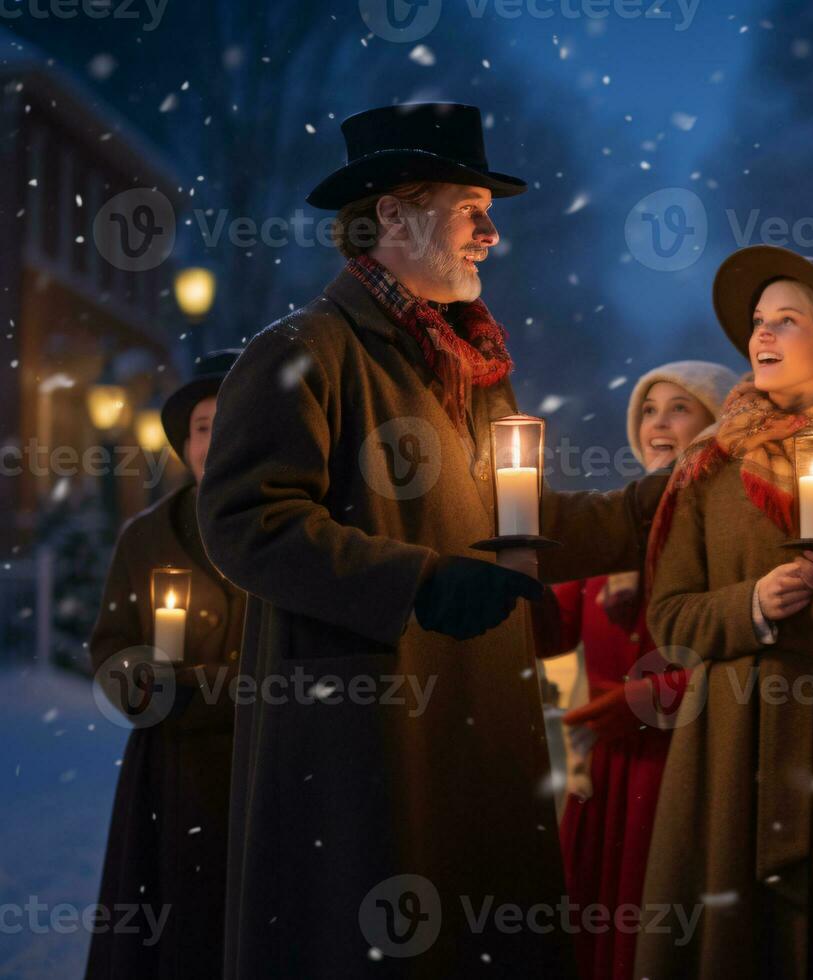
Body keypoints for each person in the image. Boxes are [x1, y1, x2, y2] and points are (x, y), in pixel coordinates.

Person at [196, 103, 667, 978]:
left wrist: (657, 504)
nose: (490, 232)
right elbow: (247, 522)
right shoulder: (305, 350)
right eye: (469, 208)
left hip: (474, 721)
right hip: (365, 734)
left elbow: (517, 529)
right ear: (393, 216)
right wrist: (418, 583)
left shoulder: (471, 367)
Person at [633, 245, 813, 980]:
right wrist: (751, 605)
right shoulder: (710, 463)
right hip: (732, 740)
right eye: (759, 321)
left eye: (786, 320)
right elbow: (669, 618)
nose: (761, 335)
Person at [533, 359, 737, 980]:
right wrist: (517, 542)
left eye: (680, 407)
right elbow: (547, 633)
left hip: (676, 766)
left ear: (715, 424)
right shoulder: (614, 526)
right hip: (602, 770)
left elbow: (727, 659)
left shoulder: (724, 524)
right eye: (648, 409)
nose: (658, 422)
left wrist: (631, 706)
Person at [86, 350, 247, 980]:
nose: (215, 439)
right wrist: (145, 687)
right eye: (204, 426)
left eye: (231, 423)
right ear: (185, 442)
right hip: (172, 774)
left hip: (264, 764)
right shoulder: (148, 537)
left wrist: (208, 689)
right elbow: (111, 646)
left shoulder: (296, 532)